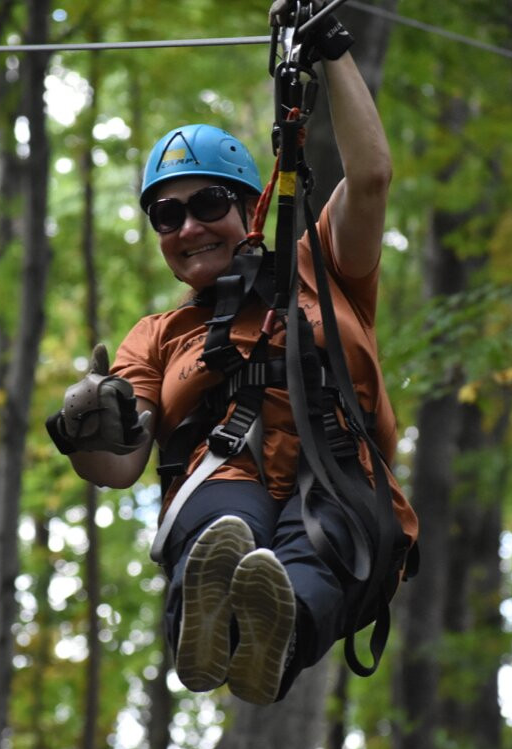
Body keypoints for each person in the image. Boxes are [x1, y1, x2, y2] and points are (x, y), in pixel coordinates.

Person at [47, 1, 418, 705]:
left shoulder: (322, 266)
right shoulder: (155, 336)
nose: (188, 227)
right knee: (225, 523)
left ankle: (273, 628)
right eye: (167, 214)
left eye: (208, 203)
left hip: (338, 475)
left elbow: (369, 177)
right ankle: (211, 610)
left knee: (326, 543)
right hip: (224, 473)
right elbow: (119, 465)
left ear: (252, 208)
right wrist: (87, 424)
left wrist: (332, 51)